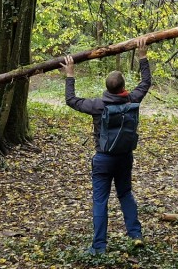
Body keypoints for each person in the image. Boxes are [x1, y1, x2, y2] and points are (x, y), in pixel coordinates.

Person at [62, 36, 152, 255]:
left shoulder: (97, 105)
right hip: (124, 157)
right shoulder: (132, 99)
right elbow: (145, 83)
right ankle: (136, 235)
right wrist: (142, 57)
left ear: (107, 88)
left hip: (103, 159)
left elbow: (71, 100)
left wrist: (70, 74)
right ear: (123, 87)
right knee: (125, 194)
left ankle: (99, 247)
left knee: (100, 201)